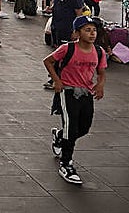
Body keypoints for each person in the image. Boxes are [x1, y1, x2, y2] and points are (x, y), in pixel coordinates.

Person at [44, 16, 106, 186]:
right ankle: (66, 164)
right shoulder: (67, 49)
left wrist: (100, 85)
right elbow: (48, 61)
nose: (92, 33)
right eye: (87, 30)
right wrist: (57, 80)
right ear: (77, 33)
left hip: (86, 93)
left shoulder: (99, 51)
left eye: (94, 30)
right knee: (71, 129)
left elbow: (101, 72)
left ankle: (59, 136)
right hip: (68, 92)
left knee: (84, 128)